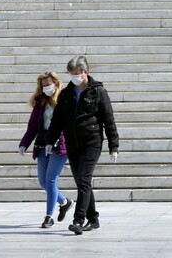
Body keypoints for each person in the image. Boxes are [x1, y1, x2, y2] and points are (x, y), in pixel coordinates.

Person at [46, 56, 119, 235]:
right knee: (81, 182)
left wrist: (113, 145)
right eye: (71, 74)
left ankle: (79, 220)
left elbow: (108, 119)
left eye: (77, 73)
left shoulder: (98, 91)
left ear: (85, 72)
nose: (74, 77)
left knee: (84, 180)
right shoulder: (66, 93)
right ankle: (93, 219)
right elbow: (57, 120)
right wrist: (50, 140)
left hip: (91, 142)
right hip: (72, 143)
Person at [18, 72, 73, 228]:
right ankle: (64, 202)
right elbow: (33, 126)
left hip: (59, 144)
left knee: (50, 180)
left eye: (49, 84)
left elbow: (68, 124)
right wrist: (24, 143)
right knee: (43, 181)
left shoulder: (65, 99)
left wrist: (58, 139)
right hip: (43, 143)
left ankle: (49, 216)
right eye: (43, 85)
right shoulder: (40, 102)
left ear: (56, 83)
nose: (46, 88)